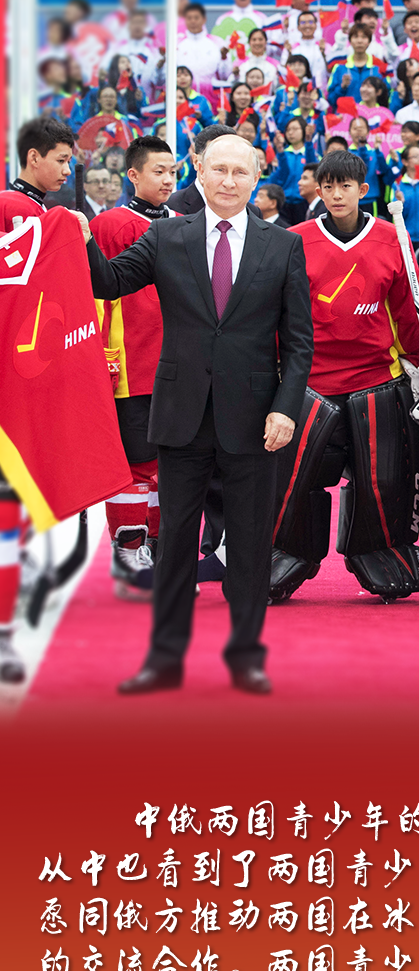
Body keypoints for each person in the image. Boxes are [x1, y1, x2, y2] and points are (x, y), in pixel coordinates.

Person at [76, 134, 314, 694]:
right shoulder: (166, 235)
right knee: (176, 543)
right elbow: (107, 283)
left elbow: (299, 343)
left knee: (250, 545)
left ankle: (246, 659)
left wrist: (286, 409)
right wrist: (81, 236)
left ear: (256, 177)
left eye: (241, 172)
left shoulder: (284, 246)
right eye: (219, 170)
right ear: (200, 172)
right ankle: (163, 659)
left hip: (256, 419)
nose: (229, 181)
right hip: (181, 413)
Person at [269, 150, 419, 603]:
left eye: (346, 186)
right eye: (329, 186)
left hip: (377, 377)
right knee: (291, 483)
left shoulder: (393, 238)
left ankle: (382, 552)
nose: (337, 194)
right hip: (309, 381)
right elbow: (277, 312)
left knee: (385, 481)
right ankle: (283, 553)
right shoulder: (294, 240)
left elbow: (408, 308)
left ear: (363, 189)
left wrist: (417, 360)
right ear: (319, 190)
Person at [0, 117, 75, 684]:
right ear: (33, 157)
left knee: (12, 510)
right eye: (61, 160)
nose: (68, 170)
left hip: (18, 379)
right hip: (13, 386)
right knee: (9, 509)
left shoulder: (38, 213)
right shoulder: (21, 212)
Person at [90, 136, 179, 600]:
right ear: (133, 175)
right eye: (158, 171)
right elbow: (94, 293)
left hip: (179, 367)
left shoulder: (185, 223)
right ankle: (128, 552)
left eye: (172, 172)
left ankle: (159, 551)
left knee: (169, 465)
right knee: (136, 463)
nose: (167, 180)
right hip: (129, 365)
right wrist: (98, 355)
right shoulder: (108, 224)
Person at [168, 122, 261, 216]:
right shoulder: (170, 207)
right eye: (219, 169)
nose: (228, 182)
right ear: (196, 162)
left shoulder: (252, 212)